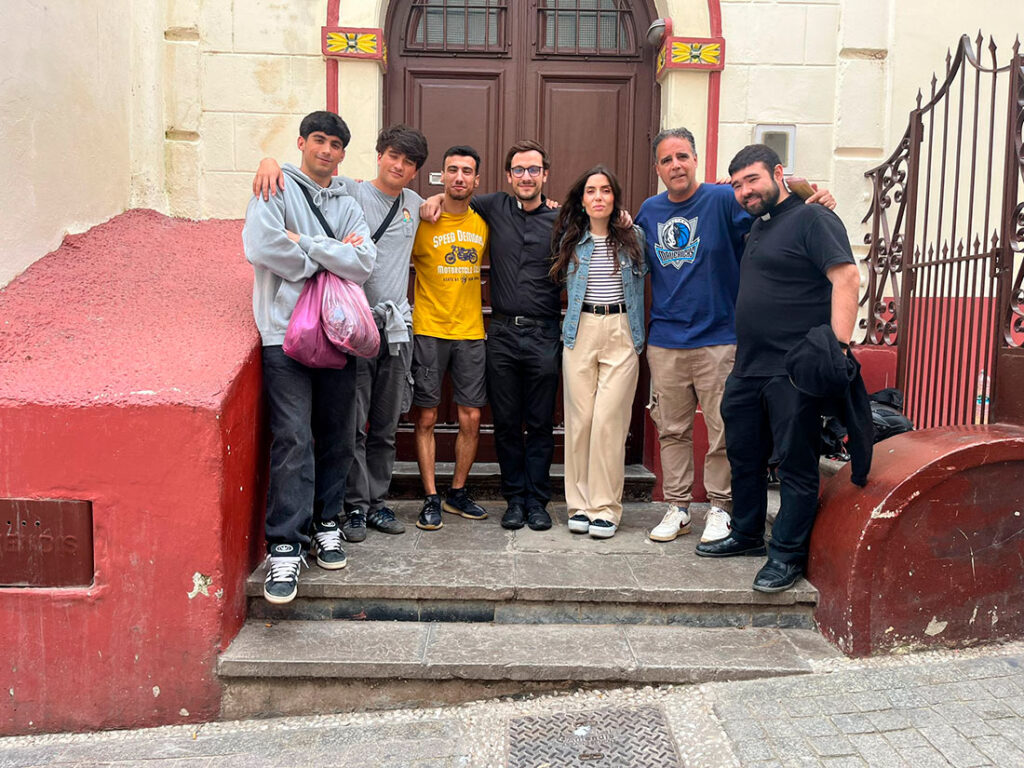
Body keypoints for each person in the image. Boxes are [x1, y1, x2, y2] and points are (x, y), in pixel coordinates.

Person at [635, 128, 834, 546]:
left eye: (683, 156)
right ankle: (678, 507)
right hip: (666, 339)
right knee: (671, 428)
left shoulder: (724, 198)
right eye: (667, 159)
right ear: (658, 168)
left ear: (696, 159)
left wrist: (812, 195)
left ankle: (720, 508)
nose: (676, 165)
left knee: (724, 430)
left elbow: (775, 209)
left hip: (719, 338)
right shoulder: (649, 211)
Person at [695, 144, 861, 593]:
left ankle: (786, 554)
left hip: (793, 368)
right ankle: (747, 534)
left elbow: (846, 277)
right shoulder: (758, 225)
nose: (745, 190)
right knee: (744, 456)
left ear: (778, 173)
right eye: (737, 184)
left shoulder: (813, 218)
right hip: (749, 366)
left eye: (753, 179)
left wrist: (839, 347)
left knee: (795, 463)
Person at [252, 125, 429, 543]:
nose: (398, 166)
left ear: (416, 171)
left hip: (394, 327)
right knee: (349, 429)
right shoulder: (348, 190)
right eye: (393, 156)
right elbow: (305, 177)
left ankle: (376, 503)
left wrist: (309, 244)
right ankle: (351, 508)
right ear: (378, 156)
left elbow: (363, 260)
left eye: (408, 162)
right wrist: (267, 161)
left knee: (384, 424)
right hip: (345, 328)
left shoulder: (417, 204)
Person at [242, 111, 376, 604]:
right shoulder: (274, 185)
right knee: (294, 437)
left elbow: (364, 262)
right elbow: (261, 245)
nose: (326, 149)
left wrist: (304, 243)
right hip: (285, 335)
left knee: (338, 435)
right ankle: (284, 545)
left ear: (343, 153)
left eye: (335, 144)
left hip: (339, 335)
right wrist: (327, 254)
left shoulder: (348, 202)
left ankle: (326, 523)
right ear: (302, 142)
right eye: (318, 140)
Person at [421, 140, 560, 531]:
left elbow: (600, 218)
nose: (527, 176)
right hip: (500, 332)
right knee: (506, 422)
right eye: (519, 170)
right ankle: (514, 499)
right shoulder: (493, 206)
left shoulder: (561, 218)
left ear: (545, 175)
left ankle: (538, 502)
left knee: (540, 423)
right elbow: (454, 194)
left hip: (544, 333)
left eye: (534, 170)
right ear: (507, 176)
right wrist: (431, 198)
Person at [550, 165, 647, 539]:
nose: (598, 197)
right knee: (581, 421)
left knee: (609, 421)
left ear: (614, 197)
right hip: (580, 331)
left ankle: (605, 507)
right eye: (591, 191)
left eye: (605, 191)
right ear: (582, 199)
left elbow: (655, 271)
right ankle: (579, 505)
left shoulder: (634, 237)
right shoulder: (571, 239)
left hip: (622, 330)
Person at [411, 146, 490, 531]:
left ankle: (456, 493)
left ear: (477, 180)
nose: (459, 177)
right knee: (425, 415)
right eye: (452, 170)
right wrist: (431, 201)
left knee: (471, 416)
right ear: (441, 176)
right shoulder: (421, 219)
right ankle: (430, 498)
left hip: (471, 332)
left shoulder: (485, 221)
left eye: (467, 171)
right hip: (428, 329)